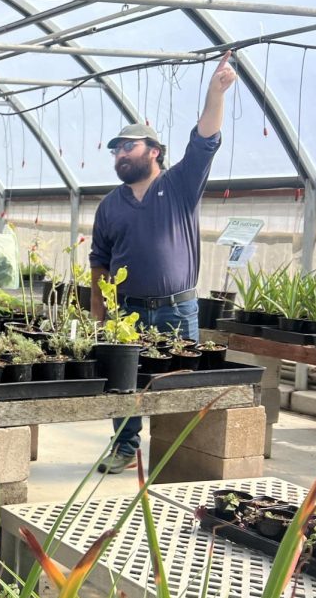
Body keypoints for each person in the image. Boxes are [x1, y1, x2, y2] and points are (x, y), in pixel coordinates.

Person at [91, 50, 237, 474]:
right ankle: (124, 447)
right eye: (115, 149)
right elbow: (99, 261)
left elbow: (204, 141)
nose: (120, 154)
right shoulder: (109, 206)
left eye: (128, 146)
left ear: (154, 151)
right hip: (127, 310)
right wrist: (101, 312)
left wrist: (215, 92)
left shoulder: (179, 187)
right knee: (125, 386)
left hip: (178, 308)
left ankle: (178, 454)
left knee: (180, 384)